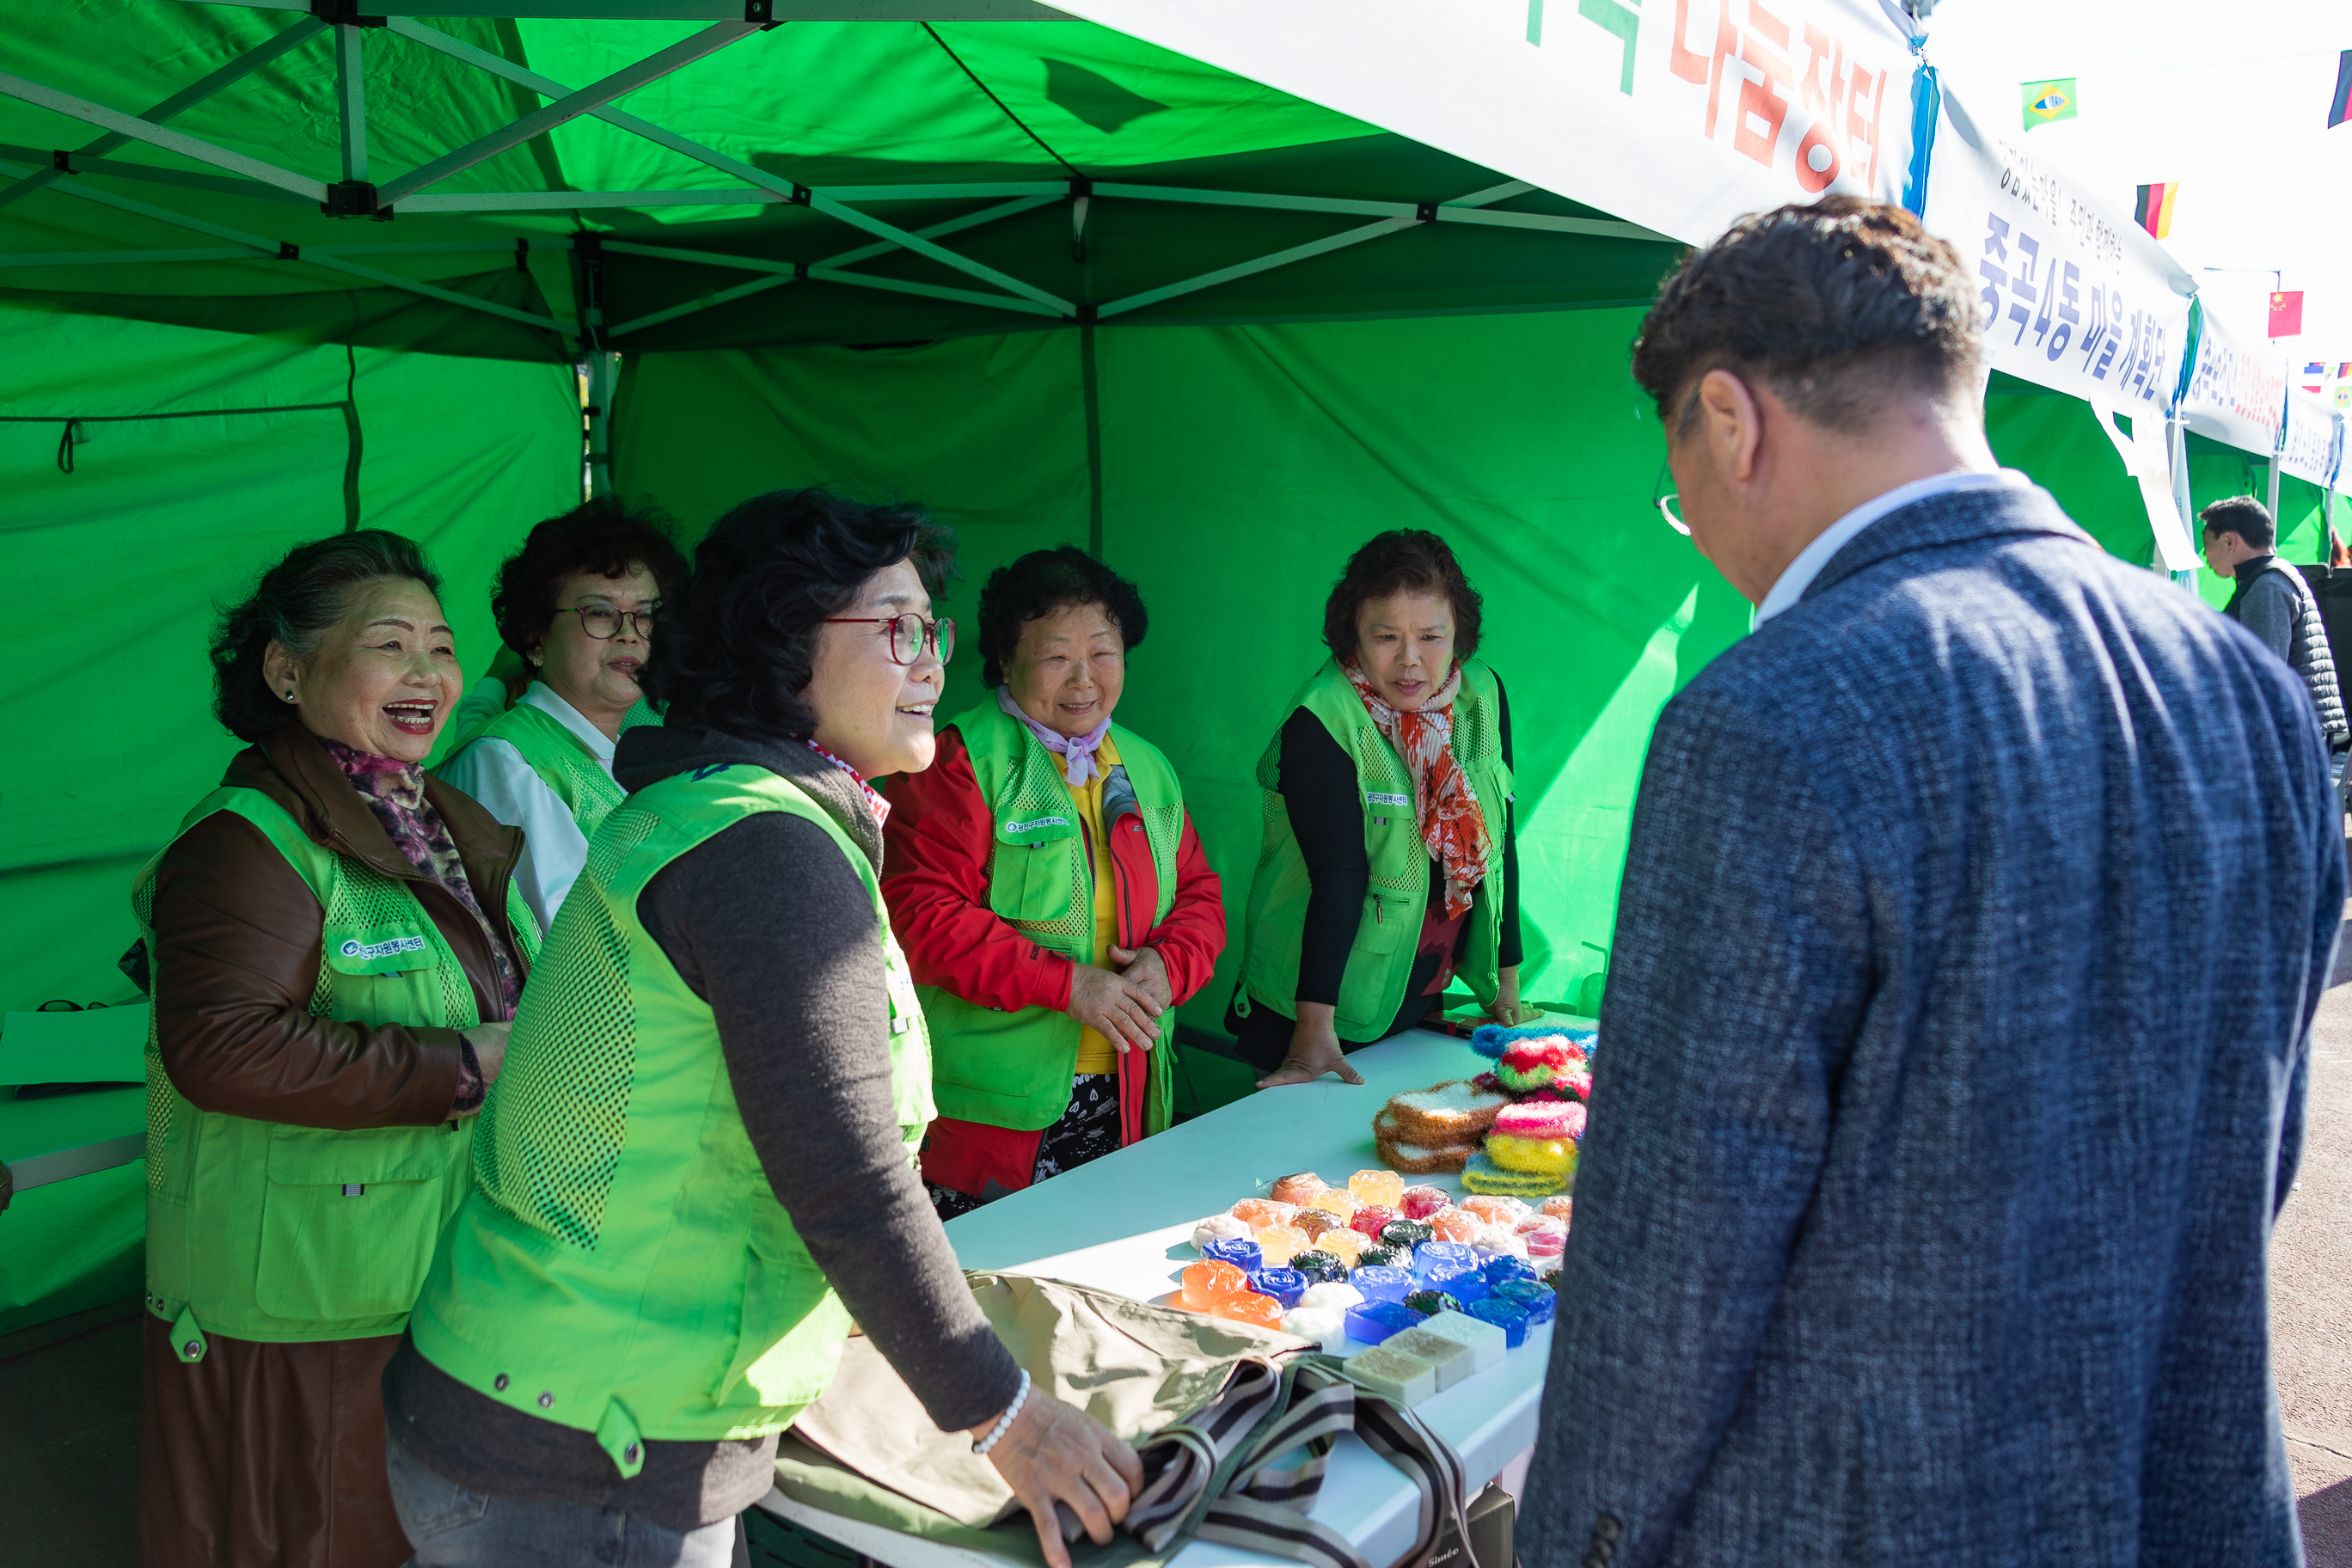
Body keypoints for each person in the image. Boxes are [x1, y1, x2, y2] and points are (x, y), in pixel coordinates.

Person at [1522, 197, 2343, 1568]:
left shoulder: (1771, 713)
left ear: (1730, 420)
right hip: (2184, 1492)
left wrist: (1576, 1546)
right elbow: (2254, 1150)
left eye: (1685, 493)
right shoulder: (2242, 690)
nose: (1705, 534)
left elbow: (1670, 1271)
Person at [383, 491, 1140, 1568]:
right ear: (781, 646)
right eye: (897, 628)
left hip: (561, 1399)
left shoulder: (718, 805)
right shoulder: (766, 851)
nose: (930, 662)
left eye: (936, 630)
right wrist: (1009, 1416)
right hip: (588, 1440)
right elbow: (846, 1179)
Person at [133, 530, 534, 1568]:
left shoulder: (435, 823)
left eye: (443, 649)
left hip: (425, 1273)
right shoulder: (248, 839)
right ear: (286, 669)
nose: (428, 674)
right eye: (388, 644)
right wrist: (464, 1064)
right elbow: (220, 1047)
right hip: (298, 1300)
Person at [881, 546, 1226, 1217]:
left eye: (1103, 652)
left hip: (1128, 1093)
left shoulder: (1147, 764)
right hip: (994, 1116)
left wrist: (1170, 964)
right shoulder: (955, 758)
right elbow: (920, 916)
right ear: (1005, 660)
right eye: (1055, 656)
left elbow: (1199, 896)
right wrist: (1068, 985)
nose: (1084, 680)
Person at [1228, 530, 1523, 1088]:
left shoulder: (1481, 695)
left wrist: (1505, 982)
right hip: (1315, 1016)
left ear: (1459, 633)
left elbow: (1500, 841)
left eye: (1431, 637)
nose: (1410, 661)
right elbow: (1339, 876)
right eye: (1385, 636)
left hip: (1414, 995)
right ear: (1353, 638)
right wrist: (1315, 1027)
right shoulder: (1324, 717)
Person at [438, 499, 689, 934]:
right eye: (601, 614)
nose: (629, 634)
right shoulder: (507, 761)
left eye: (647, 616)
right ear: (536, 638)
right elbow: (573, 941)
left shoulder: (620, 754)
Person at [2200, 493, 2349, 750]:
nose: (2204, 555)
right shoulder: (2272, 575)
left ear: (2228, 541)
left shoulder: (2267, 585)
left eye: (2206, 543)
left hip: (2292, 735)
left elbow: (2265, 674)